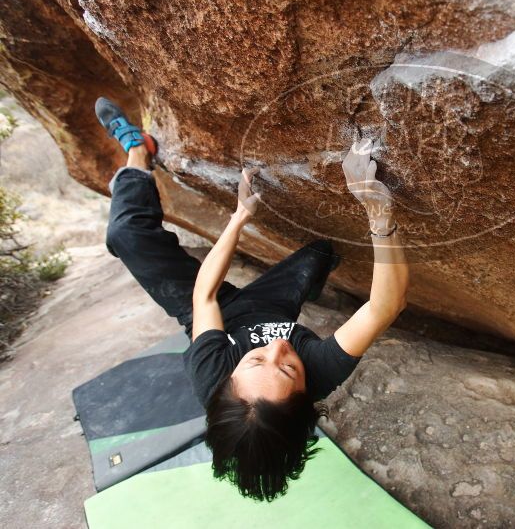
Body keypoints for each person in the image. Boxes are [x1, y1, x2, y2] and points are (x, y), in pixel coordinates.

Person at [96, 97, 408, 501]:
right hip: (270, 306)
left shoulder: (210, 375)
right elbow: (385, 307)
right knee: (321, 250)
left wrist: (239, 216)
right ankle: (310, 277)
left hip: (213, 312)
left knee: (125, 238)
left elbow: (204, 295)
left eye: (257, 360)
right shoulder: (322, 372)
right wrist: (378, 214)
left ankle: (138, 151)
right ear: (303, 397)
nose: (278, 347)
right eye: (288, 370)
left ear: (229, 377)